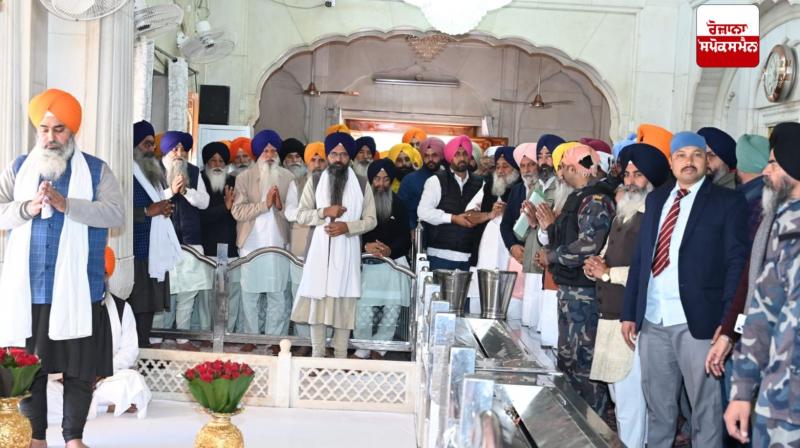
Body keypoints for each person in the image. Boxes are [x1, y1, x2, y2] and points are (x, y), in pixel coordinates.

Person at [0, 89, 125, 448]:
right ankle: (36, 437)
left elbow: (115, 213)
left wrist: (67, 204)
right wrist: (27, 208)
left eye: (59, 129)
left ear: (72, 132)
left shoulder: (96, 170)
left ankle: (74, 438)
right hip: (30, 288)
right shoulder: (19, 168)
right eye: (44, 129)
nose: (51, 137)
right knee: (30, 367)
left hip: (79, 288)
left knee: (79, 370)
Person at [621, 131, 748, 448]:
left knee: (706, 413)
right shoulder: (657, 199)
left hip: (699, 324)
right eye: (681, 155)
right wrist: (629, 312)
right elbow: (641, 258)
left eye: (696, 155)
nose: (688, 161)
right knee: (658, 411)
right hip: (653, 320)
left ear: (706, 160)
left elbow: (737, 266)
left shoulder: (727, 201)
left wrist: (728, 324)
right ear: (671, 162)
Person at [584, 143, 670, 448]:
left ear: (652, 180)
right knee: (619, 398)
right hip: (609, 316)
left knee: (631, 403)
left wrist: (608, 273)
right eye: (628, 174)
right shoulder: (623, 213)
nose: (631, 181)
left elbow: (650, 271)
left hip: (631, 318)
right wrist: (594, 266)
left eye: (638, 175)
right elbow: (606, 256)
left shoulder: (654, 218)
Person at [725, 122, 800, 447]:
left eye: (773, 163)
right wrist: (742, 390)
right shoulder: (783, 222)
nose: (765, 171)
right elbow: (763, 310)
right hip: (781, 398)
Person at [534, 143, 615, 416]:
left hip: (585, 294)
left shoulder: (596, 200)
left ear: (577, 169)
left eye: (564, 168)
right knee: (568, 362)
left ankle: (592, 425)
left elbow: (588, 245)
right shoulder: (579, 197)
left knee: (584, 365)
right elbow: (569, 235)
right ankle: (572, 422)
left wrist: (552, 256)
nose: (560, 174)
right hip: (571, 290)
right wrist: (550, 232)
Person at [291, 132, 377, 358]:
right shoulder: (315, 181)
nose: (338, 159)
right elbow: (301, 215)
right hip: (319, 254)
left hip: (348, 254)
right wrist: (324, 212)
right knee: (317, 307)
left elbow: (371, 220)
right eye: (334, 154)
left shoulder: (362, 184)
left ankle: (340, 358)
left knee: (343, 307)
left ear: (350, 157)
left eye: (343, 154)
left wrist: (348, 227)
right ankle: (317, 357)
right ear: (328, 156)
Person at [48, 247, 152, 420]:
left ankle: (89, 405)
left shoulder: (122, 308)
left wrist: (101, 373)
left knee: (133, 381)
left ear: (106, 276)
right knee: (41, 389)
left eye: (98, 275)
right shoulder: (62, 305)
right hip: (67, 381)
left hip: (106, 379)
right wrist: (64, 376)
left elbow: (129, 350)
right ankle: (104, 406)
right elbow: (51, 347)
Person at [232, 129, 297, 353]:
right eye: (265, 151)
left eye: (273, 151)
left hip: (278, 244)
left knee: (277, 293)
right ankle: (251, 336)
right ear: (258, 154)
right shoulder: (244, 177)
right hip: (251, 245)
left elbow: (293, 213)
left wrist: (278, 206)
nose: (269, 155)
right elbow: (237, 211)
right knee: (250, 294)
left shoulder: (288, 178)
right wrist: (264, 205)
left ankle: (273, 339)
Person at [152, 130, 210, 351]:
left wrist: (185, 192)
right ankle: (156, 339)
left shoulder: (193, 172)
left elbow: (204, 202)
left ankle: (182, 339)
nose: (179, 153)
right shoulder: (153, 170)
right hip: (163, 242)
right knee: (162, 293)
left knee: (188, 293)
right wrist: (170, 191)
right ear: (166, 151)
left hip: (191, 243)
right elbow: (150, 202)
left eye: (183, 150)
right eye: (175, 149)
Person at [129, 121, 182, 348]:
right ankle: (134, 350)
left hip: (153, 250)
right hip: (134, 251)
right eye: (146, 144)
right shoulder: (125, 174)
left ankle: (143, 347)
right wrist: (148, 211)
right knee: (135, 306)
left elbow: (156, 206)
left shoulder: (153, 174)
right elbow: (118, 213)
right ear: (133, 146)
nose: (151, 149)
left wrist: (164, 209)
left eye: (153, 145)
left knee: (148, 305)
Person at [354, 159, 411, 360]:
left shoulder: (400, 204)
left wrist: (390, 250)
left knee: (391, 309)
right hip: (366, 265)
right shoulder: (360, 203)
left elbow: (405, 238)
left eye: (386, 179)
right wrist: (365, 246)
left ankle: (380, 348)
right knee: (362, 310)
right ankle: (362, 349)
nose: (381, 184)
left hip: (392, 265)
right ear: (371, 180)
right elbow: (352, 232)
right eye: (377, 179)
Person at [465, 146, 521, 312]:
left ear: (515, 169)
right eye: (498, 167)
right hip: (483, 256)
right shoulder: (488, 187)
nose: (501, 171)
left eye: (505, 166)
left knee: (507, 307)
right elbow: (468, 216)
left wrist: (508, 212)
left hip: (508, 257)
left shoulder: (521, 190)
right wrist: (490, 214)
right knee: (478, 307)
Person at [418, 134, 484, 273]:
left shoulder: (480, 183)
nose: (461, 158)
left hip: (469, 256)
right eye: (457, 154)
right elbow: (423, 212)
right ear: (449, 156)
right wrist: (453, 218)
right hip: (439, 255)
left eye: (465, 154)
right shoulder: (436, 181)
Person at [199, 142, 240, 333]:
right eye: (213, 161)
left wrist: (230, 207)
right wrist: (224, 207)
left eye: (221, 161)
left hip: (229, 247)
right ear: (206, 163)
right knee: (207, 295)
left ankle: (226, 333)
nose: (217, 165)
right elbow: (200, 216)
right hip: (206, 248)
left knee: (227, 294)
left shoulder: (233, 182)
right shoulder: (199, 182)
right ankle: (207, 333)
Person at [397, 137, 444, 230]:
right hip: (419, 232)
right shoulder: (409, 180)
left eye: (434, 155)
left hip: (445, 232)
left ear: (441, 156)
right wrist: (411, 229)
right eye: (426, 156)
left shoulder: (450, 179)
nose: (430, 159)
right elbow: (401, 209)